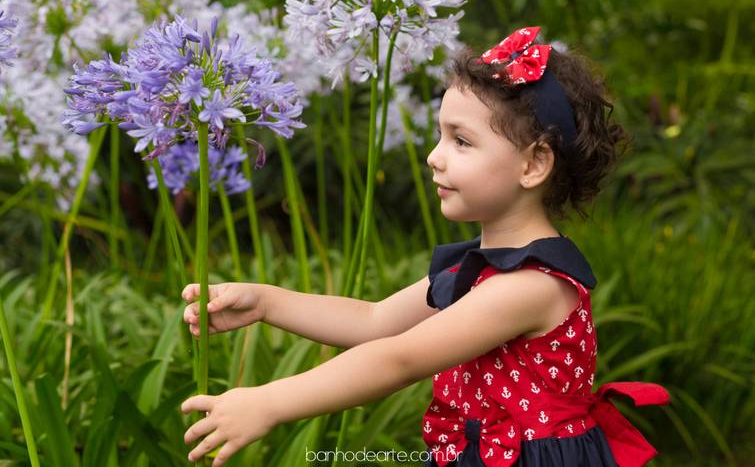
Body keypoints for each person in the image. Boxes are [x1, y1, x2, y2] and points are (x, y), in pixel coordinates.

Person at [179, 26, 669, 467]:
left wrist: (268, 403)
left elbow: (398, 359)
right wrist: (266, 302)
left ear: (533, 164)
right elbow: (372, 322)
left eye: (462, 141)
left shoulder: (530, 287)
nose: (434, 157)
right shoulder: (482, 269)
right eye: (441, 135)